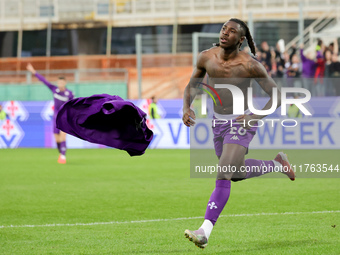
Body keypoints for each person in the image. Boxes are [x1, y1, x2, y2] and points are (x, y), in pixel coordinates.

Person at [182, 18, 295, 249]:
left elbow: (277, 96)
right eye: (224, 29)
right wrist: (186, 107)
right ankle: (277, 164)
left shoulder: (250, 64)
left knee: (223, 173)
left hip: (242, 121)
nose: (225, 33)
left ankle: (204, 231)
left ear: (240, 39)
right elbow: (192, 85)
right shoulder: (206, 57)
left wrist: (255, 117)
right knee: (236, 174)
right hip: (218, 123)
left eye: (232, 31)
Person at [26, 63, 74, 164]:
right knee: (57, 139)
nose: (60, 84)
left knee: (63, 136)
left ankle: (63, 156)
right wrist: (33, 71)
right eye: (59, 82)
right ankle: (61, 152)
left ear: (65, 83)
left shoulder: (69, 94)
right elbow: (44, 81)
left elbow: (72, 106)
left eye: (62, 82)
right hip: (55, 117)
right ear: (57, 83)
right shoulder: (54, 89)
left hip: (64, 118)